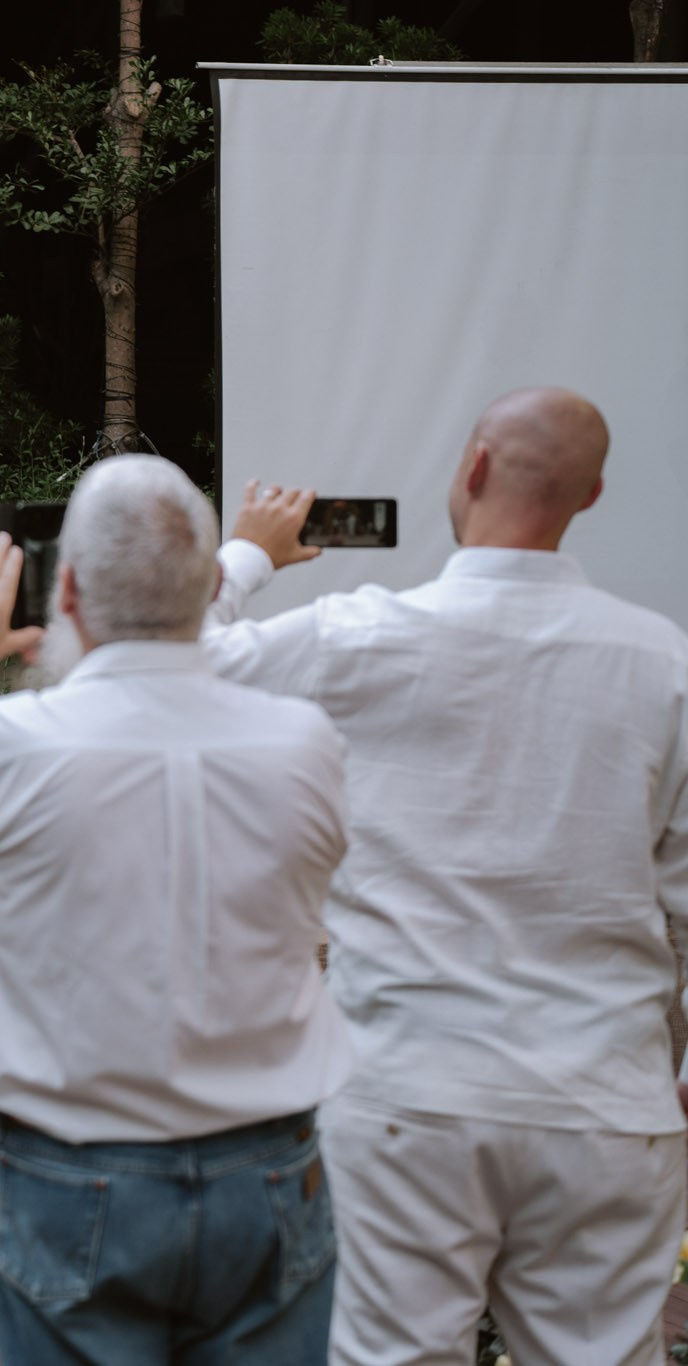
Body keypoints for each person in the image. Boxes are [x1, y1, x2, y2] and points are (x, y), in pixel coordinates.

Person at [0, 455, 355, 1363]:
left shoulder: (13, 747)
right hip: (266, 1171)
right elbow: (188, 645)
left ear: (63, 590)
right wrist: (240, 569)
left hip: (75, 1176)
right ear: (209, 590)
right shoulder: (301, 744)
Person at [205, 388, 688, 1366]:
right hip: (604, 1097)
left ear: (469, 468)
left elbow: (168, 669)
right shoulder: (664, 664)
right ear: (589, 496)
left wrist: (251, 548)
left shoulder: (362, 634)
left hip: (405, 1087)